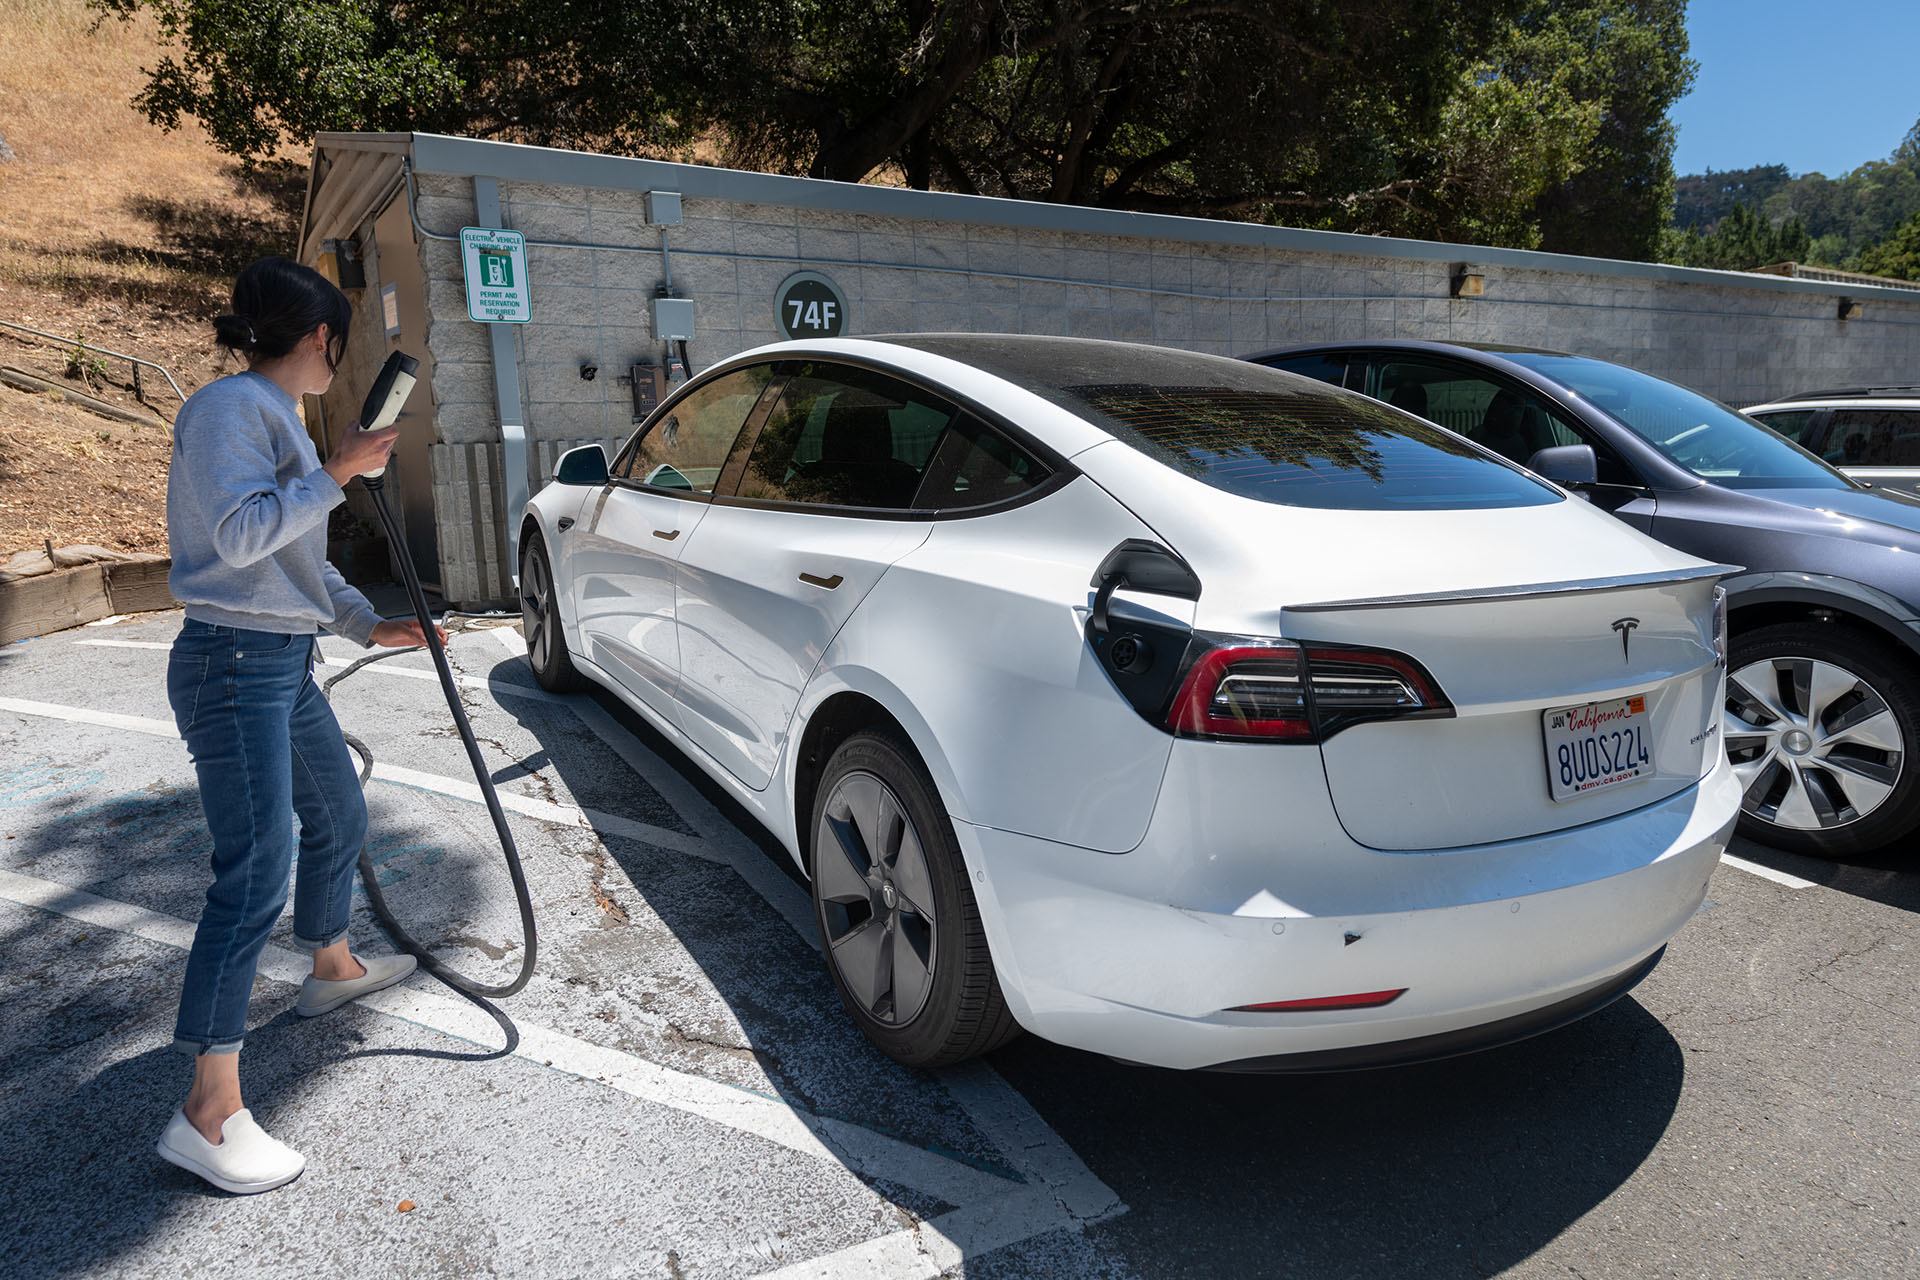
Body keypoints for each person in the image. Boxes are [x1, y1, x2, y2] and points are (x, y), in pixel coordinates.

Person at [156, 256, 444, 1194]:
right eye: (339, 345)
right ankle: (208, 1112)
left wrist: (367, 622)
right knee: (251, 876)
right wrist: (336, 471)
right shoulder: (227, 409)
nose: (339, 361)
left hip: (279, 660)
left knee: (338, 812)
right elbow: (241, 535)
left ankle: (332, 962)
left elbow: (295, 561)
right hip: (233, 662)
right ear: (321, 337)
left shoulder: (276, 416)